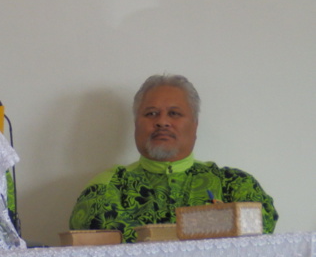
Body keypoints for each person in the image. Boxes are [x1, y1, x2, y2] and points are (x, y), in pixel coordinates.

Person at [69, 74, 278, 242]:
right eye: (151, 114)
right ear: (136, 124)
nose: (162, 122)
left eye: (174, 114)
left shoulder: (235, 185)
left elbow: (260, 238)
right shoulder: (106, 188)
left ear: (195, 125)